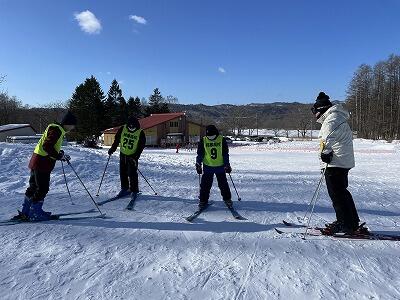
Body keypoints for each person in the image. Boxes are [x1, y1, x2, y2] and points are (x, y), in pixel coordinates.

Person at [312, 92, 366, 234]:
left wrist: (325, 152)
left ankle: (345, 223)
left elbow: (328, 137)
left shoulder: (331, 119)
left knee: (337, 194)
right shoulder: (336, 117)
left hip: (335, 162)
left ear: (321, 109)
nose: (314, 114)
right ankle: (351, 221)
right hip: (341, 161)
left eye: (315, 110)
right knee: (342, 193)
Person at [12, 111, 77, 221]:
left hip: (37, 161)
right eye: (72, 125)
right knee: (42, 188)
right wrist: (58, 156)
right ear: (67, 123)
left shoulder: (54, 128)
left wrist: (59, 153)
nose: (72, 128)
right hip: (42, 163)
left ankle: (26, 211)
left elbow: (50, 146)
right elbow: (47, 146)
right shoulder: (57, 130)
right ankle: (35, 212)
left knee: (33, 187)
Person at [196, 125, 233, 210]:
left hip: (220, 167)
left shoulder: (221, 139)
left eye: (212, 136)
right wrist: (198, 164)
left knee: (223, 185)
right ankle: (203, 201)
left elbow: (225, 154)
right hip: (208, 167)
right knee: (205, 185)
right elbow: (200, 154)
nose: (211, 138)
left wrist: (227, 164)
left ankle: (227, 199)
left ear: (216, 133)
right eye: (209, 136)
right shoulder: (204, 140)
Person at [108, 116, 146, 198]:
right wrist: (112, 148)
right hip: (123, 154)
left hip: (132, 156)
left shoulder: (140, 132)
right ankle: (125, 188)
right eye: (130, 126)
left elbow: (141, 146)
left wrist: (136, 156)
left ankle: (134, 190)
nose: (131, 128)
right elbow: (117, 140)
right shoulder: (122, 129)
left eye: (133, 127)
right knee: (123, 172)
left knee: (132, 173)